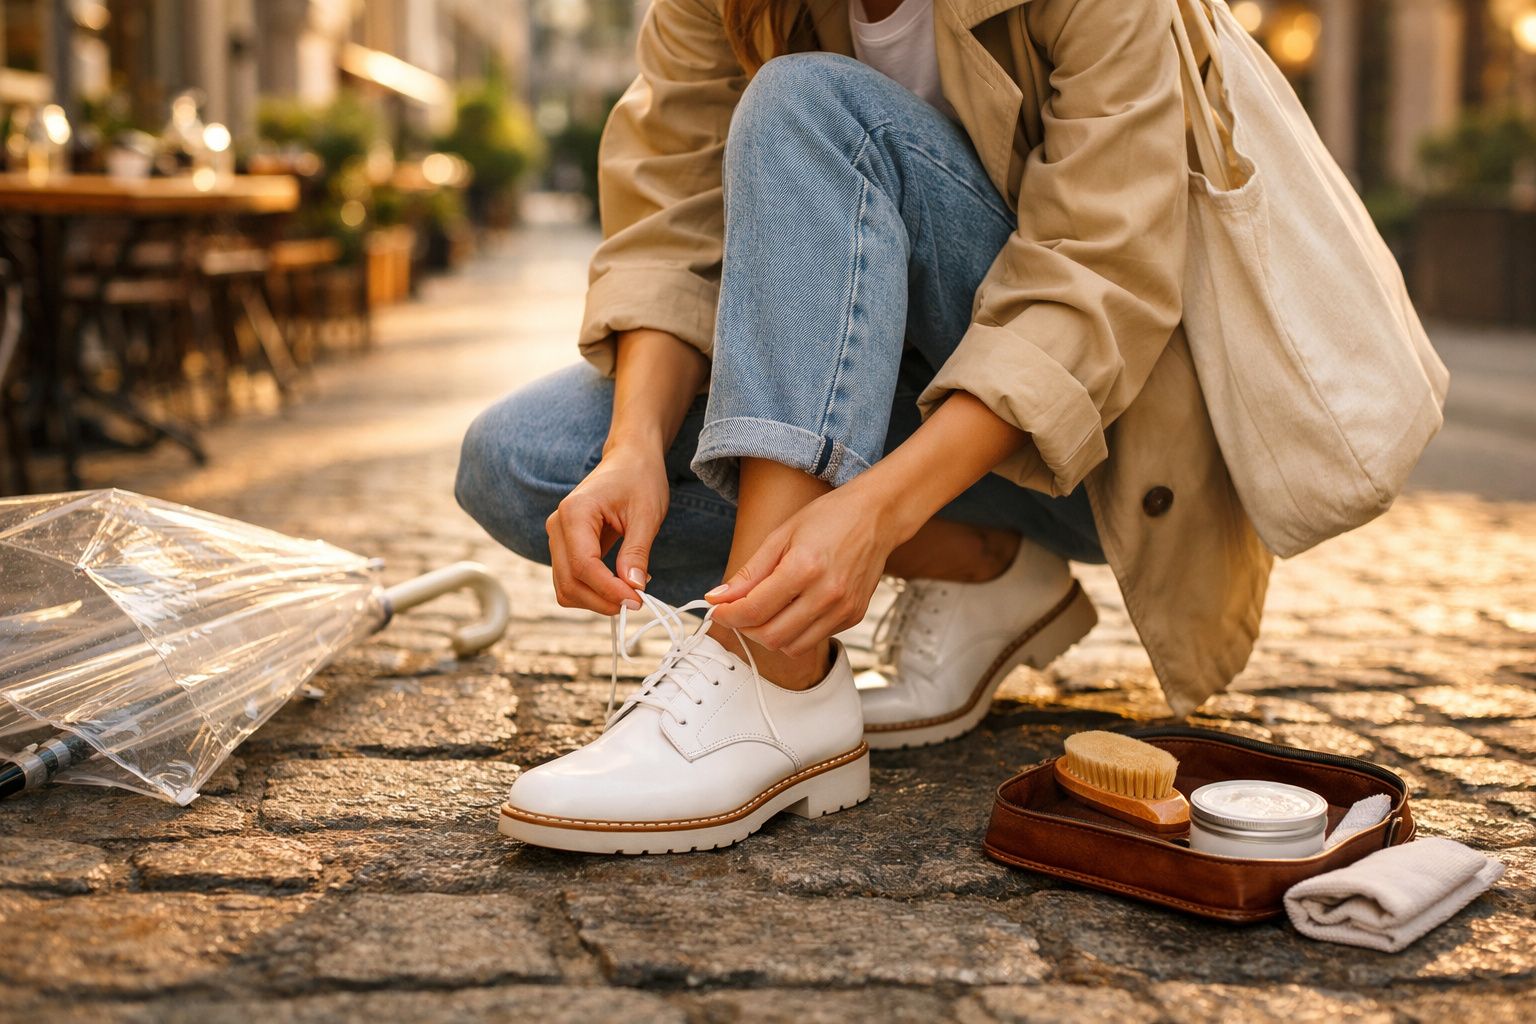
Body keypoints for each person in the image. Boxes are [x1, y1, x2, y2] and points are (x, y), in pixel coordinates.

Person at [456, 0, 1273, 854]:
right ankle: (981, 566)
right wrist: (632, 448)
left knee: (809, 105)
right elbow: (673, 227)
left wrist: (879, 512)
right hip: (887, 396)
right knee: (527, 463)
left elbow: (1098, 278)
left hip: (1101, 447)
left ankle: (770, 671)